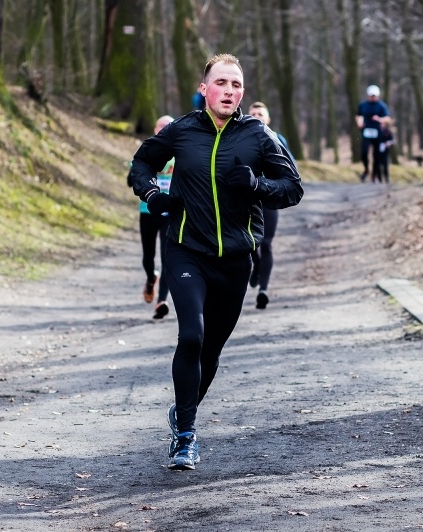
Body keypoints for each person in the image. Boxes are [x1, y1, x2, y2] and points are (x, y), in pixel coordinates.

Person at [130, 53, 303, 470]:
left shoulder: (259, 137)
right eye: (221, 83)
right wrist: (153, 195)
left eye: (237, 85)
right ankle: (186, 435)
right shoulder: (181, 131)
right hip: (186, 249)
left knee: (210, 351)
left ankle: (182, 410)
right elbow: (141, 164)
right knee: (191, 335)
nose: (229, 91)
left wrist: (257, 184)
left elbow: (292, 188)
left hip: (236, 260)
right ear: (204, 89)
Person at [127, 115, 175, 319]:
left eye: (168, 127)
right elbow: (131, 181)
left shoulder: (180, 154)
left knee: (167, 258)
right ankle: (150, 278)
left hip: (170, 213)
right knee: (148, 256)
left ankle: (162, 301)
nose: (164, 129)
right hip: (147, 211)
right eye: (161, 126)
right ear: (155, 129)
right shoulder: (147, 153)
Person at [246, 102, 293, 310]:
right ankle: (256, 265)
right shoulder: (240, 137)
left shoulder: (277, 138)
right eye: (253, 113)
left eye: (261, 114)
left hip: (269, 196)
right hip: (246, 198)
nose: (257, 116)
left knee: (266, 242)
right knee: (250, 242)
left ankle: (263, 290)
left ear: (268, 119)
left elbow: (291, 169)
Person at [355, 84, 391, 182]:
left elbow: (388, 119)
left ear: (378, 96)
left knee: (377, 155)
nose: (373, 97)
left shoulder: (381, 106)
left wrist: (379, 119)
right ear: (368, 95)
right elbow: (358, 115)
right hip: (366, 132)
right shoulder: (363, 105)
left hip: (378, 133)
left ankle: (374, 175)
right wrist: (359, 122)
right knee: (364, 152)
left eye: (374, 96)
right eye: (371, 96)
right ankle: (366, 169)